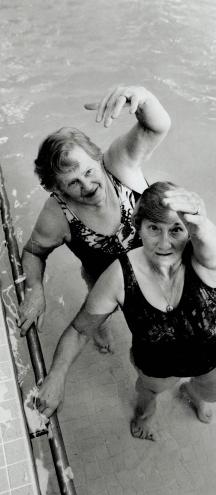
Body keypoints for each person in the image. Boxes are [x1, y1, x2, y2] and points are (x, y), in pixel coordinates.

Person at [36, 182, 216, 441]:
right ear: (138, 227)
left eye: (176, 229)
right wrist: (57, 374)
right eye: (154, 228)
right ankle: (145, 413)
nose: (165, 243)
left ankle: (194, 391)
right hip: (157, 364)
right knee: (149, 393)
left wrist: (201, 222)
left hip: (215, 354)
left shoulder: (207, 260)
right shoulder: (119, 276)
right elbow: (79, 330)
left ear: (190, 231)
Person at [18, 85, 171, 351]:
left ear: (97, 157)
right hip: (102, 279)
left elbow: (156, 127)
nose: (87, 186)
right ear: (57, 189)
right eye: (72, 183)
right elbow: (33, 252)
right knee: (99, 302)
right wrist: (35, 288)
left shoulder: (120, 165)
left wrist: (141, 95)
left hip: (157, 261)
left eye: (89, 171)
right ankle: (99, 323)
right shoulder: (58, 214)